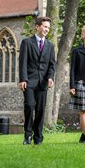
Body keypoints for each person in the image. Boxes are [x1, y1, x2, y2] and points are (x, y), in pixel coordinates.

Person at [19, 16, 56, 145]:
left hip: (43, 83)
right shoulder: (27, 43)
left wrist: (50, 77)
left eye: (48, 28)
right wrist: (23, 79)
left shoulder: (50, 46)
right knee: (29, 106)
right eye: (45, 27)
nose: (47, 30)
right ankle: (27, 135)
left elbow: (52, 65)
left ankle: (38, 137)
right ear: (37, 27)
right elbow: (22, 62)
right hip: (29, 81)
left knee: (40, 110)